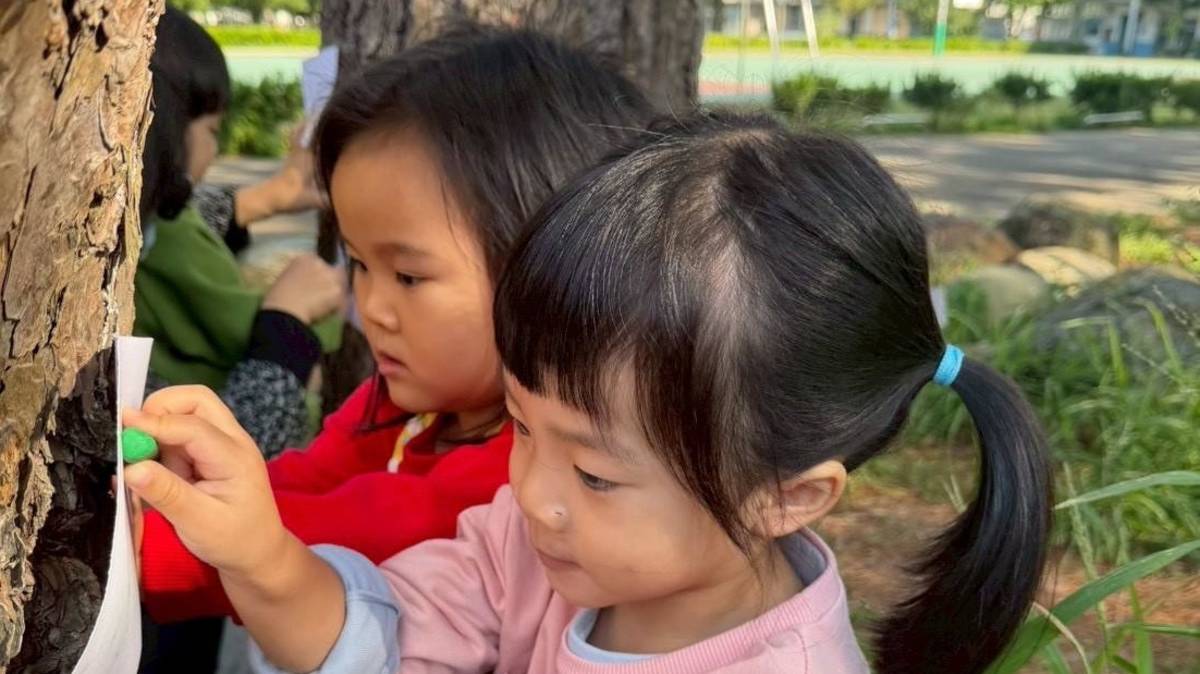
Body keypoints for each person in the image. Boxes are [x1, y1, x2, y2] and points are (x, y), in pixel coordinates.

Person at [124, 112, 1054, 674]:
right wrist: (260, 556)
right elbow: (378, 638)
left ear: (787, 494)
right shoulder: (532, 547)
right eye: (524, 428)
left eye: (598, 474)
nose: (532, 491)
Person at [135, 24, 658, 632]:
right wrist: (191, 484)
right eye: (359, 264)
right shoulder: (401, 405)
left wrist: (140, 541)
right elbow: (298, 480)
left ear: (552, 272)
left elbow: (341, 528)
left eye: (408, 277)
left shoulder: (518, 479)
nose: (372, 307)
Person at [136, 6, 344, 457]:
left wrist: (273, 195)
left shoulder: (138, 236)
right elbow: (233, 452)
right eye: (212, 130)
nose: (217, 147)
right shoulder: (155, 243)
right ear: (163, 132)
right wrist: (289, 327)